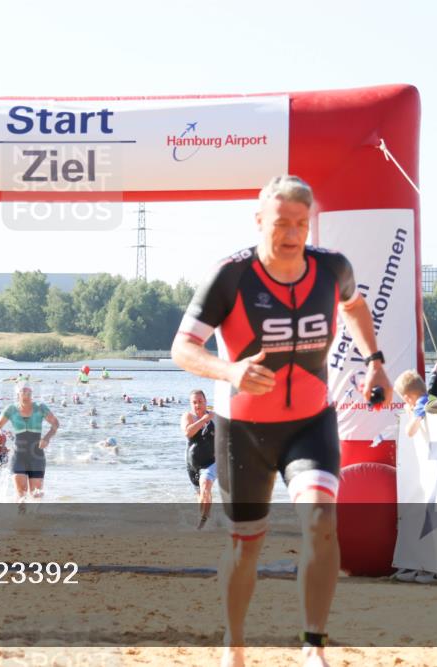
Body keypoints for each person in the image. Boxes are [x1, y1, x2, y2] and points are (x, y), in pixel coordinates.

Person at [170, 175, 392, 667]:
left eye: (300, 224)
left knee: (320, 522)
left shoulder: (332, 268)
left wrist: (374, 359)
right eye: (280, 224)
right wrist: (229, 370)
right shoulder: (230, 275)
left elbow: (354, 307)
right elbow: (182, 348)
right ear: (258, 222)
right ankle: (234, 644)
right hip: (243, 430)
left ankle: (313, 647)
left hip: (310, 422)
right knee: (246, 544)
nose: (292, 235)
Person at [0, 382, 59, 501]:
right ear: (18, 393)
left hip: (37, 456)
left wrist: (47, 438)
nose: (27, 394)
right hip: (19, 456)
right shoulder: (11, 409)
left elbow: (55, 423)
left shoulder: (40, 407)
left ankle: (36, 518)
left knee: (36, 494)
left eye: (29, 392)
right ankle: (20, 518)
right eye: (24, 391)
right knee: (21, 494)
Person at [181, 389, 216, 526]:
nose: (197, 405)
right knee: (201, 493)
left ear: (206, 402)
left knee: (205, 485)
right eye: (194, 402)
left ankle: (202, 523)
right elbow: (188, 433)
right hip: (192, 464)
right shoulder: (188, 416)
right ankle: (207, 519)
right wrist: (203, 420)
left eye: (200, 401)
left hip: (211, 462)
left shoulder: (214, 417)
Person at [393, 370, 428, 438]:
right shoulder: (429, 398)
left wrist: (411, 413)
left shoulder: (421, 403)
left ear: (407, 399)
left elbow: (410, 432)